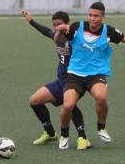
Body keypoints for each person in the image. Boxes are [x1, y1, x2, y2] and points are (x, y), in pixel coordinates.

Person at [54, 2, 125, 149]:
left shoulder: (109, 31)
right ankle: (64, 135)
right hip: (75, 73)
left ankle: (101, 127)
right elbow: (58, 41)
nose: (92, 18)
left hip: (96, 74)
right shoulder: (76, 27)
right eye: (90, 15)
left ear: (103, 17)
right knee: (68, 105)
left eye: (96, 16)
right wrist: (60, 31)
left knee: (101, 97)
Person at [22, 10, 92, 150]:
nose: (56, 27)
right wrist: (31, 21)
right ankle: (50, 132)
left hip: (75, 80)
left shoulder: (76, 40)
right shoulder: (57, 36)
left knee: (69, 105)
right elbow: (46, 31)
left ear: (67, 24)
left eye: (59, 24)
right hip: (61, 81)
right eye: (54, 25)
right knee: (34, 101)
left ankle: (83, 138)